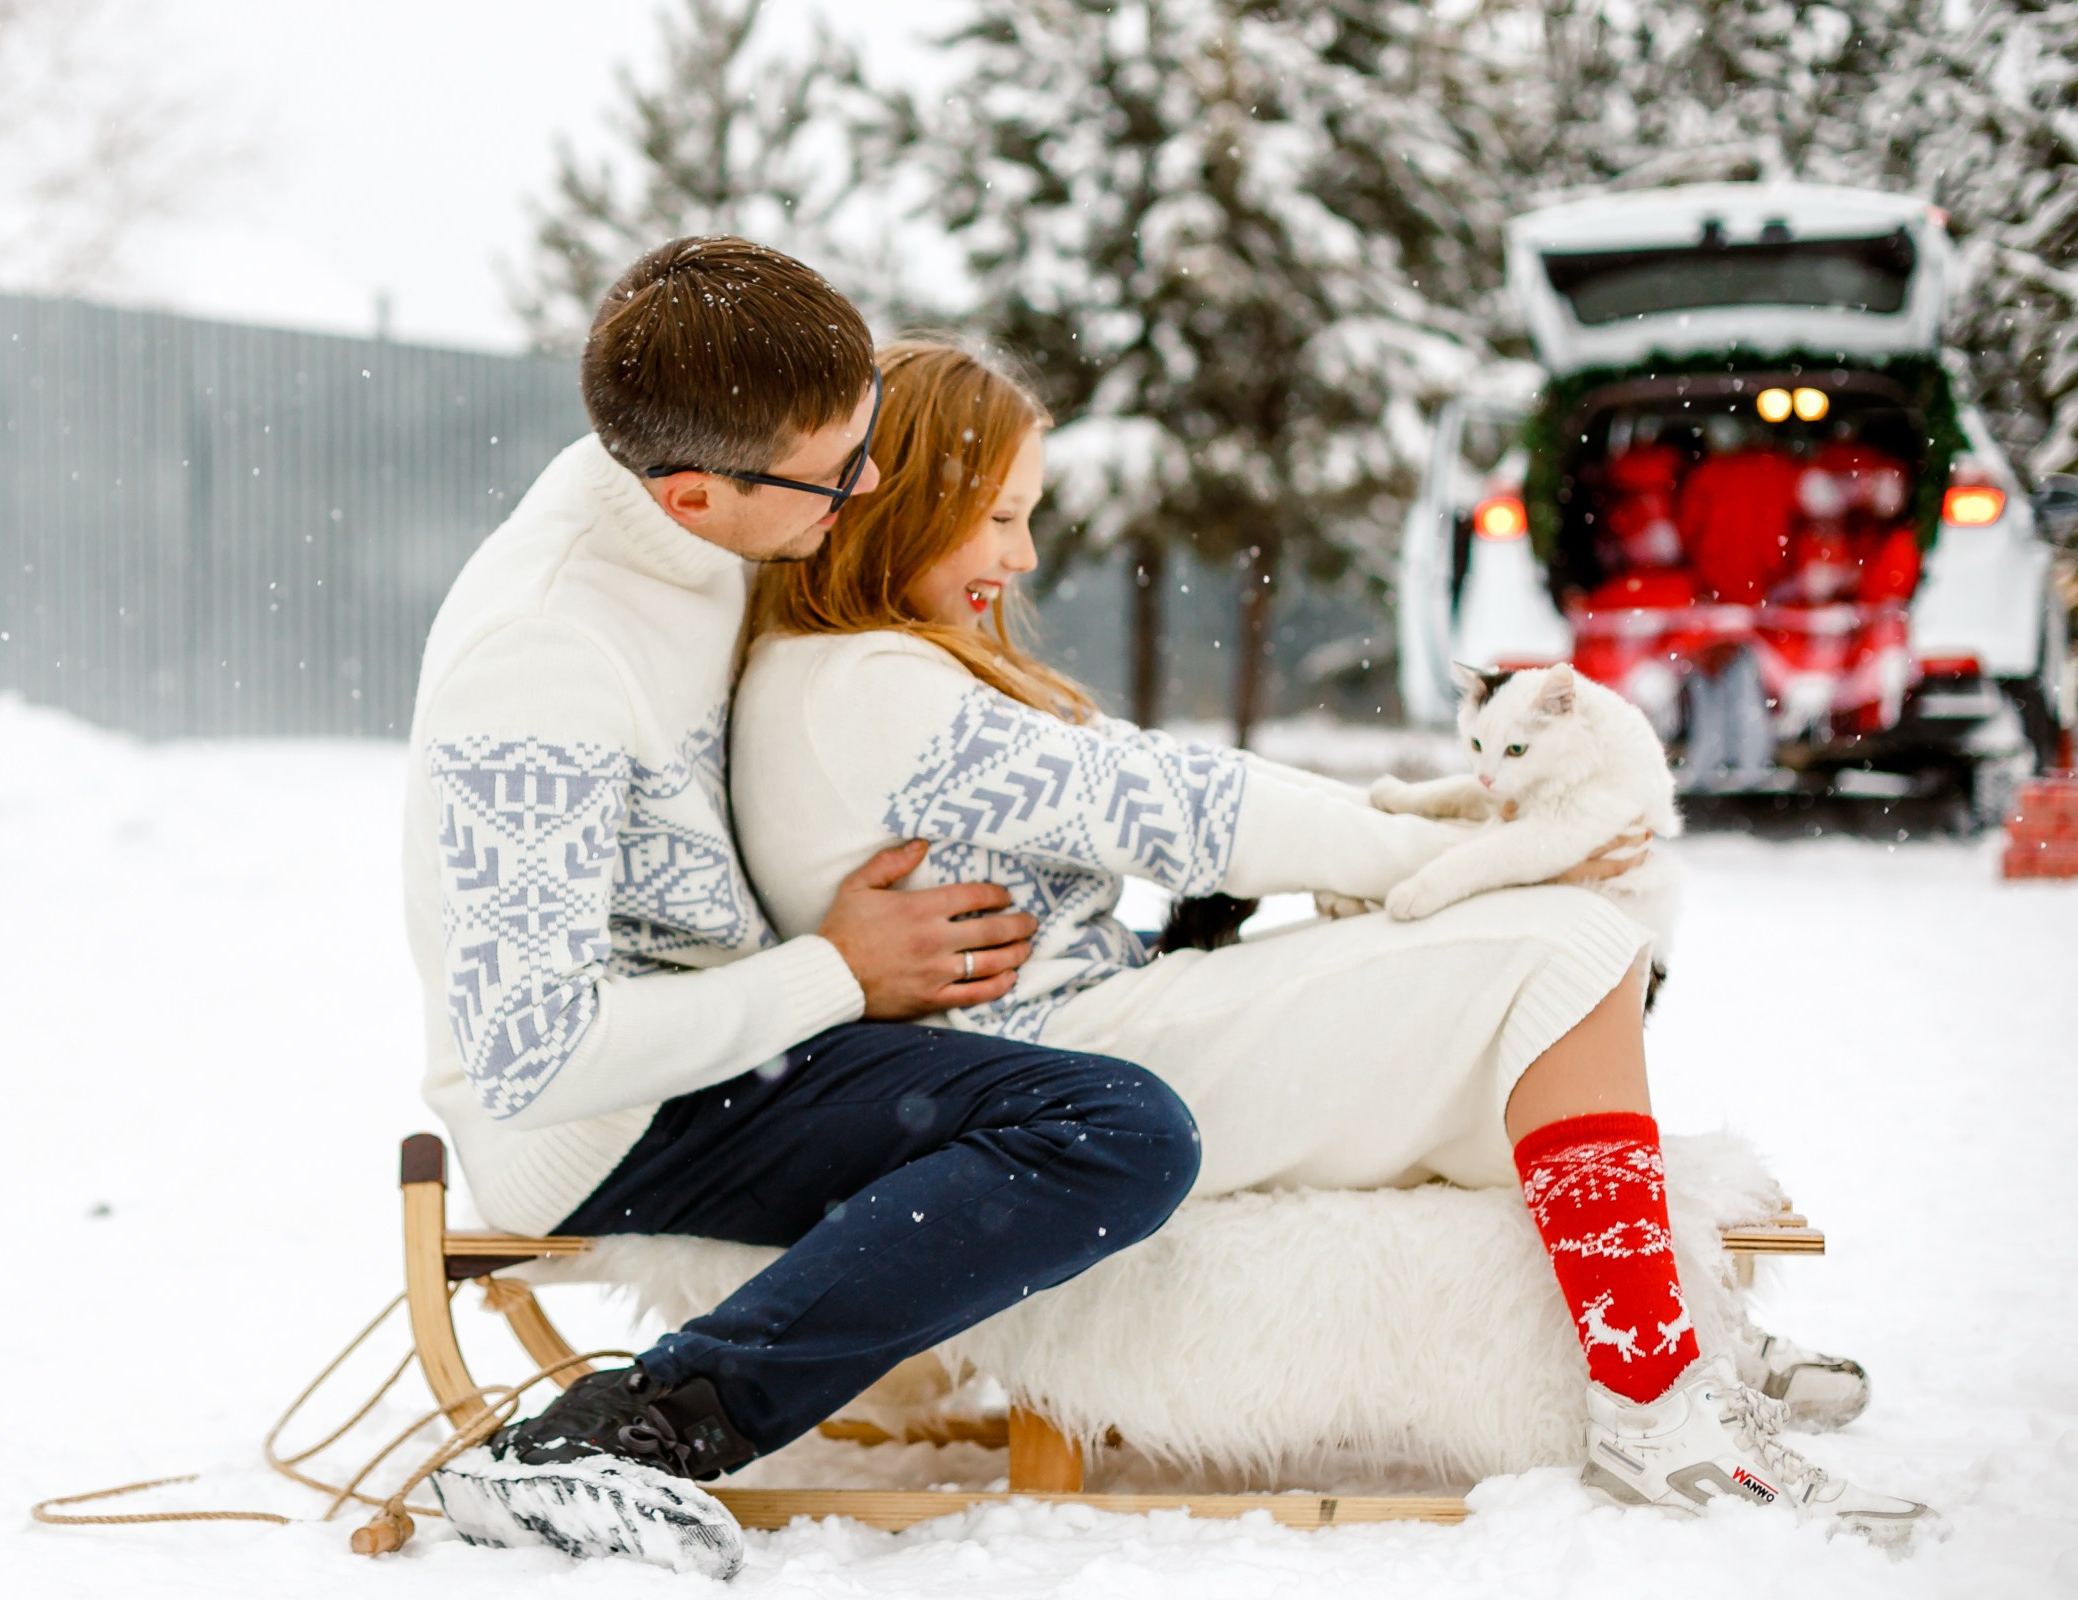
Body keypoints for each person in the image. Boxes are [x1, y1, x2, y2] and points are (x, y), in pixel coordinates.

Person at [731, 339, 1929, 1543]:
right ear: (908, 501)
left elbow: (1155, 792)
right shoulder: (866, 685)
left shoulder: (859, 672)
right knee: (1558, 941)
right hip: (1058, 1080)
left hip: (1075, 1042)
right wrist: (1482, 851)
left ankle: (1669, 1324)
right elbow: (1188, 805)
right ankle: (1656, 1407)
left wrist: (1458, 842)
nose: (1024, 554)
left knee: (1529, 956)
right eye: (998, 515)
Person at [400, 241, 1203, 1577]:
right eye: (840, 473)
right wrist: (840, 972)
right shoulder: (539, 660)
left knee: (1112, 1070)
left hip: (734, 1027)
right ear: (698, 490)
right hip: (600, 1120)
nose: (872, 485)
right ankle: (627, 1431)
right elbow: (532, 1055)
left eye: (866, 442)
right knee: (1114, 1133)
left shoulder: (710, 518)